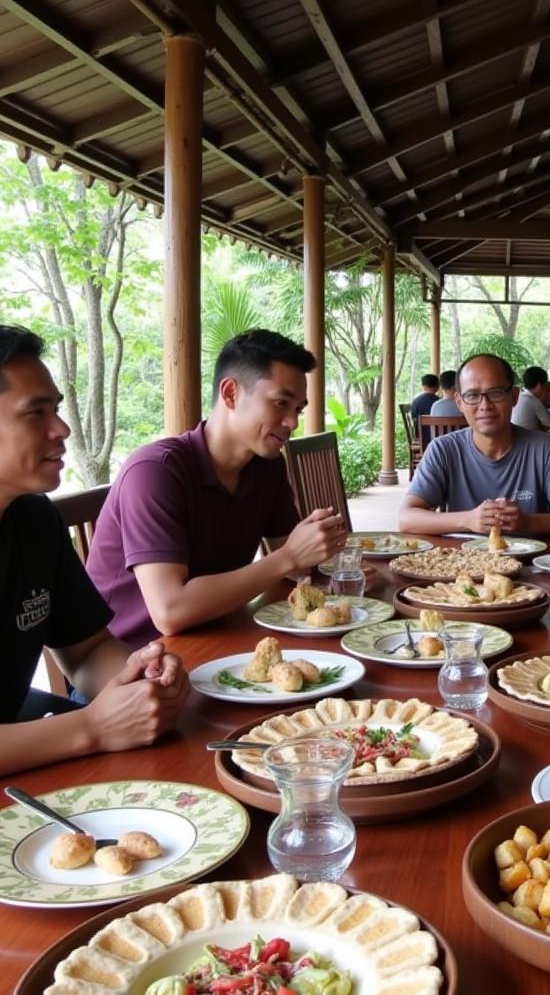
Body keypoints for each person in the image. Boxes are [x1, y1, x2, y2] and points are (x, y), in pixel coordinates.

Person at [88, 330, 363, 649]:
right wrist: (287, 557)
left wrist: (325, 554)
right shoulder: (155, 472)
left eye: (298, 409)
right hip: (132, 663)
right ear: (231, 393)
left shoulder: (266, 466)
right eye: (280, 403)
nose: (292, 422)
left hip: (221, 634)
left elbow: (296, 564)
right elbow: (170, 612)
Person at [0, 325, 188, 774]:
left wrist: (141, 678)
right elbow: (91, 727)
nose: (61, 428)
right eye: (36, 412)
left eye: (58, 410)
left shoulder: (33, 518)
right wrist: (93, 728)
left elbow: (85, 651)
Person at [398, 354, 550, 536]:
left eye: (495, 393)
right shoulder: (443, 450)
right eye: (472, 395)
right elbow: (407, 518)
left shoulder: (543, 448)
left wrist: (528, 522)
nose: (485, 405)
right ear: (459, 402)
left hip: (531, 569)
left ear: (514, 396)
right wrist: (468, 520)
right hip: (461, 568)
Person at [512, 366, 550, 430]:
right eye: (545, 385)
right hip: (526, 437)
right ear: (539, 386)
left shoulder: (519, 396)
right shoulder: (533, 400)